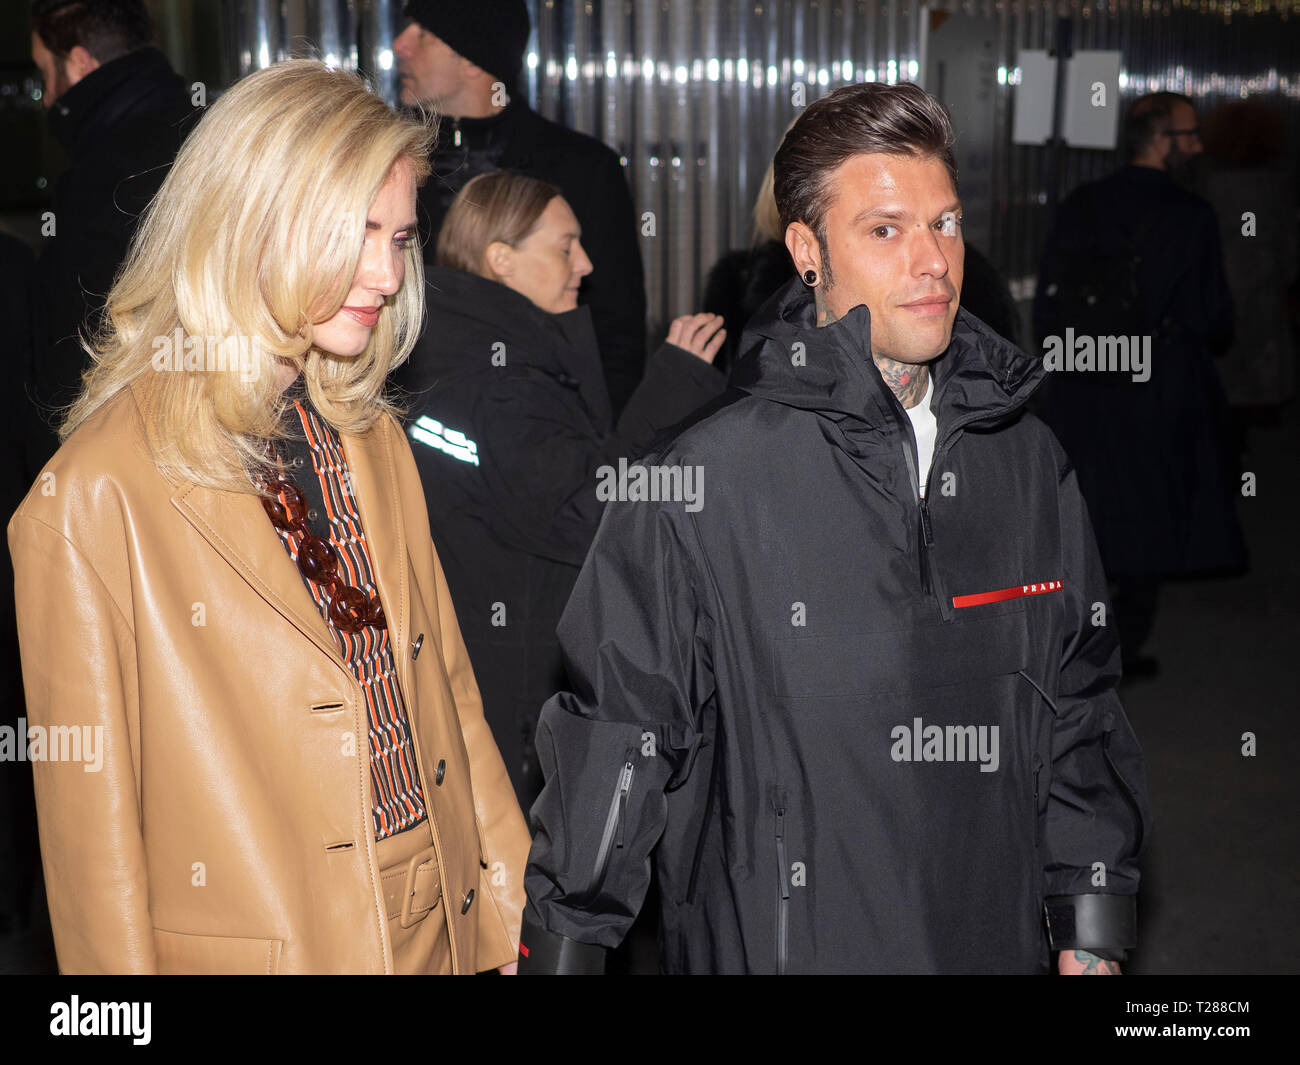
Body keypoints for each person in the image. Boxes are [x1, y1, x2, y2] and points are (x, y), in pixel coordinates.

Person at [516, 82, 1151, 975]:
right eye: (885, 230)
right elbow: (617, 738)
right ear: (807, 250)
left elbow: (1077, 700)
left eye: (946, 223)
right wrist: (564, 950)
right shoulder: (703, 481)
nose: (932, 260)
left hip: (992, 939)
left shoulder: (1028, 462)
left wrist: (1089, 920)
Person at [7, 60, 528, 975]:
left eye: (401, 237)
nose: (385, 270)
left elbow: (445, 686)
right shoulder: (94, 495)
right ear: (246, 224)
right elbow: (92, 861)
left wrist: (509, 901)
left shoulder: (369, 437)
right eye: (356, 231)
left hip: (435, 918)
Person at [394, 171, 727, 807]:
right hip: (513, 682)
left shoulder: (452, 352)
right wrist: (675, 387)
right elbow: (581, 513)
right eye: (565, 246)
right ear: (501, 258)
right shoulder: (502, 380)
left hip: (477, 657)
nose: (586, 263)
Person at [1034, 92, 1246, 674]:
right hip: (1159, 387)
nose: (1199, 145)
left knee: (1090, 508)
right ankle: (1121, 644)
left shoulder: (1081, 204)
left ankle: (1077, 640)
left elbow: (1049, 301)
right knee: (1151, 512)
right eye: (1190, 134)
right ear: (1160, 139)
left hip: (1085, 379)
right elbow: (1212, 318)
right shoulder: (1190, 215)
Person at [393, 0, 647, 416]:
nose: (400, 45)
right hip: (411, 431)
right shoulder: (387, 165)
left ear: (474, 61)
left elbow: (616, 330)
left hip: (544, 431)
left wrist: (598, 444)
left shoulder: (581, 168)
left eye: (424, 33)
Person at [27, 0, 199, 472]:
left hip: (129, 462)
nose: (45, 99)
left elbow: (76, 361)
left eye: (46, 74)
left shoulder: (105, 173)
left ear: (81, 62)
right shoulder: (204, 132)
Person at [1195, 101, 1297, 421]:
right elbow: (1290, 253)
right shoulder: (1281, 184)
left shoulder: (1203, 179)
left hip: (1216, 298)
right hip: (1263, 299)